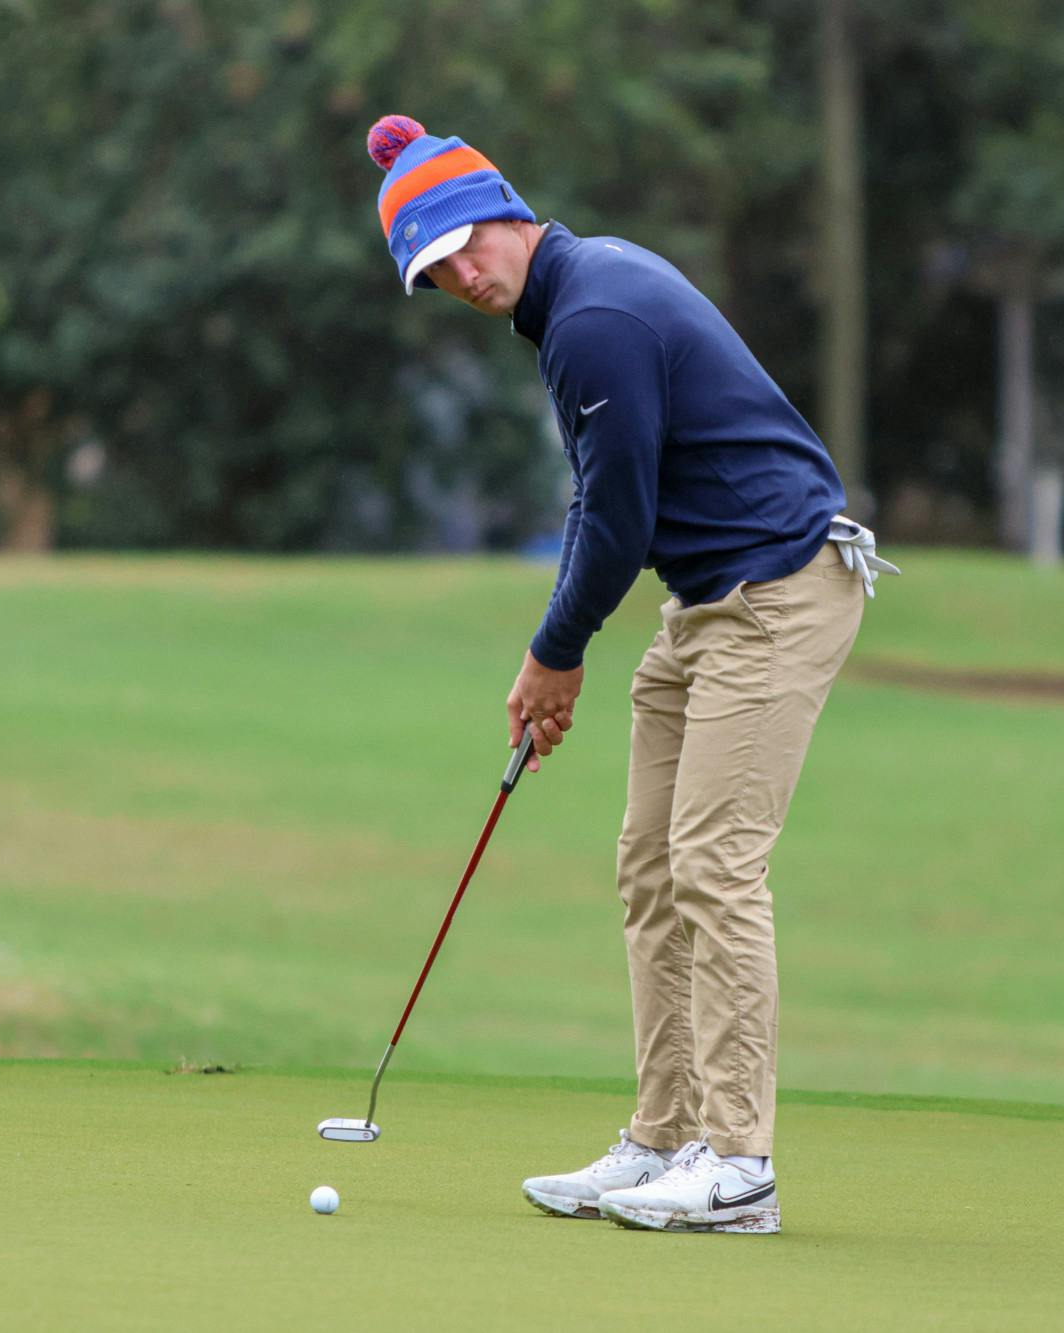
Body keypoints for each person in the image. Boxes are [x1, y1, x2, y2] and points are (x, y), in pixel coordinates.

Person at [365, 115, 896, 1235]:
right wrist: (553, 650)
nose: (462, 276)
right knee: (650, 868)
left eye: (463, 244)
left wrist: (553, 654)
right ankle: (663, 1136)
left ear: (506, 211)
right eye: (434, 271)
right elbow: (597, 501)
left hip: (776, 591)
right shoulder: (572, 307)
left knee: (713, 865)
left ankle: (738, 1166)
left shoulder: (594, 315)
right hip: (704, 602)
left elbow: (617, 519)